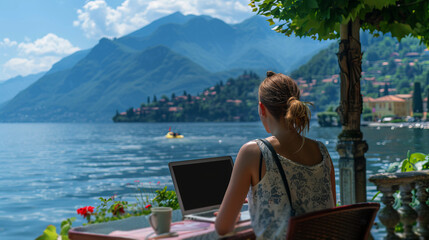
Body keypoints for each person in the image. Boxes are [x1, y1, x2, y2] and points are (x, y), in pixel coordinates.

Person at [215, 71, 336, 239]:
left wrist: (233, 214)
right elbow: (326, 211)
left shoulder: (253, 152)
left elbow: (223, 227)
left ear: (262, 108)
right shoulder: (322, 151)